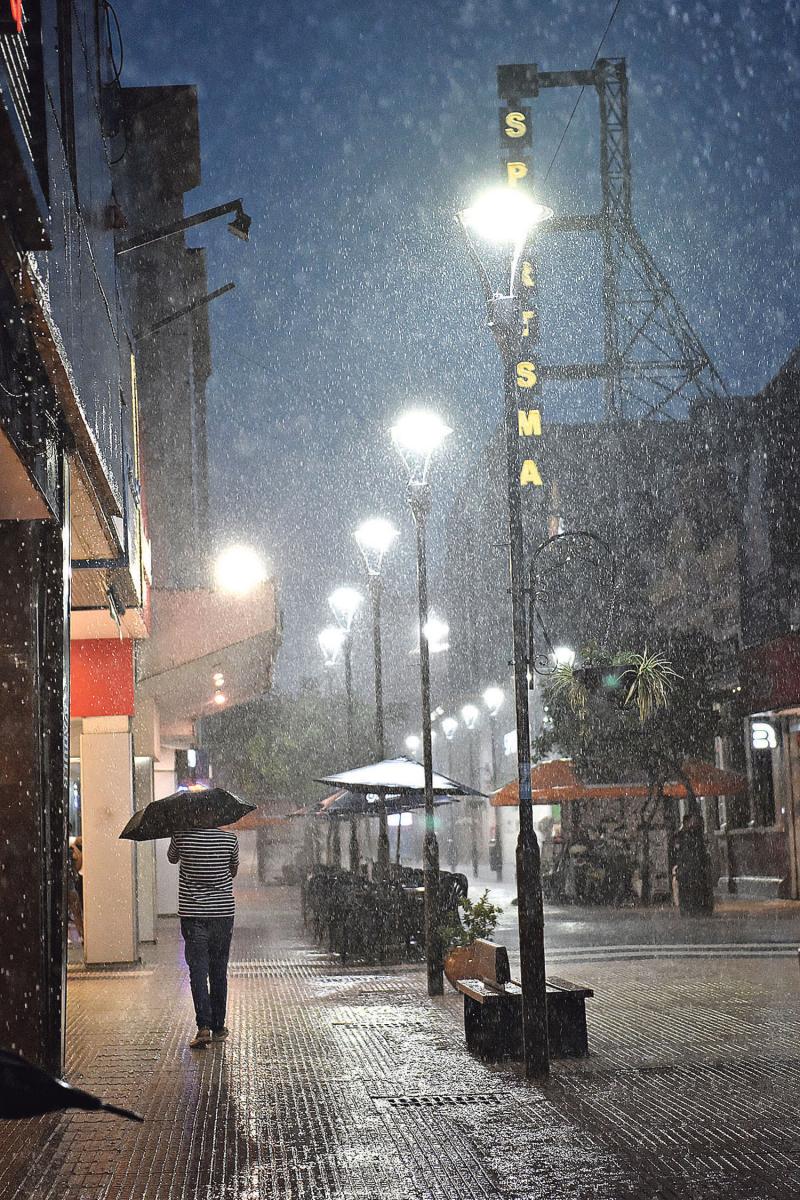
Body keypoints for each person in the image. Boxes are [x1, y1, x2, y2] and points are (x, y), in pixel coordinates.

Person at [167, 823, 239, 1048]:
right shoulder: (230, 840)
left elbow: (171, 858)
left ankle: (204, 1027)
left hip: (194, 915)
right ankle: (218, 1026)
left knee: (198, 971)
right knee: (219, 970)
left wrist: (176, 835)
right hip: (222, 914)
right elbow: (233, 871)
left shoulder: (181, 835)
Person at [673, 809, 714, 915]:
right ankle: (690, 908)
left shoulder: (694, 835)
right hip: (688, 869)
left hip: (694, 869)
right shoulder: (683, 836)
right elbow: (679, 852)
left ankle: (696, 908)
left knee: (695, 889)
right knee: (688, 890)